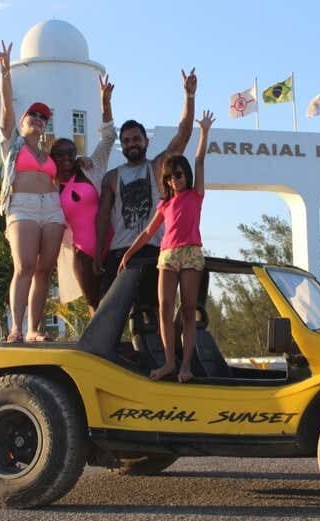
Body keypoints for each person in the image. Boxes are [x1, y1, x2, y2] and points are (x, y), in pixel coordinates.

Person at [118, 110, 215, 383]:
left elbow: (199, 159)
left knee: (188, 309)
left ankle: (185, 366)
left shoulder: (196, 195)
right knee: (164, 306)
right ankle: (169, 362)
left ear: (187, 175)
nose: (176, 180)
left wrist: (204, 132)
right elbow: (149, 231)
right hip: (167, 254)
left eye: (180, 175)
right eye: (171, 177)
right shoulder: (165, 203)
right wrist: (129, 252)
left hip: (191, 253)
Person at [94, 68, 198, 305]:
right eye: (127, 140)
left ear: (146, 141)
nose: (132, 144)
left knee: (150, 314)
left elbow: (183, 135)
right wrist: (99, 250)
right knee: (106, 311)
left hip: (152, 252)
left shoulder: (158, 167)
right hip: (118, 251)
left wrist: (189, 97)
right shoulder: (111, 177)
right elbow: (102, 217)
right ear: (122, 145)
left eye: (136, 139)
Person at [0, 41, 64, 343]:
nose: (38, 120)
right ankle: (16, 328)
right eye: (32, 117)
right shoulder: (13, 146)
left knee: (45, 269)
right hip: (21, 207)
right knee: (24, 266)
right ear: (22, 123)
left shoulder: (48, 155)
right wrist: (5, 72)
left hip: (51, 207)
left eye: (42, 118)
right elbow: (5, 110)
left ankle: (34, 329)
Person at [53, 74, 117, 314]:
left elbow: (109, 139)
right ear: (52, 157)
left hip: (110, 245)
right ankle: (95, 351)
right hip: (82, 254)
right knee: (95, 306)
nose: (67, 157)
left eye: (71, 152)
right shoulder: (51, 188)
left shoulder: (92, 168)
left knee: (116, 304)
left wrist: (105, 104)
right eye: (60, 153)